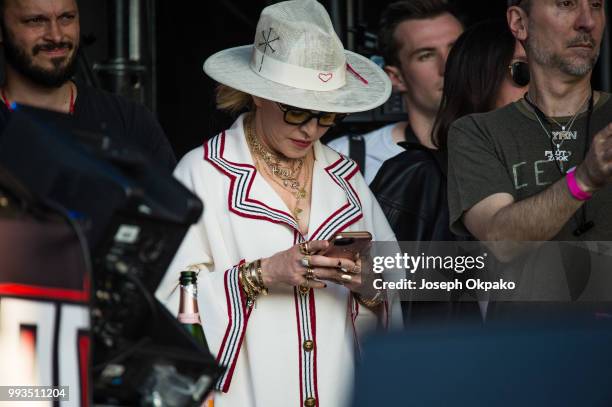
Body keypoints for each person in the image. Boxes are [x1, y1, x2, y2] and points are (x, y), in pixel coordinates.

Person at [155, 1, 399, 406]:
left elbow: (393, 282)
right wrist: (261, 274)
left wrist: (368, 285)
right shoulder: (202, 173)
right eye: (297, 112)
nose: (310, 129)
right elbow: (165, 308)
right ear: (258, 96)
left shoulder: (345, 177)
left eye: (326, 117)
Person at [447, 0, 612, 253]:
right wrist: (584, 179)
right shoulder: (477, 132)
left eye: (596, 5)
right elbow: (500, 240)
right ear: (520, 23)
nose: (587, 21)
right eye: (566, 3)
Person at [370, 20, 529, 242]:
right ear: (480, 81)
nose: (542, 85)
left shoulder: (561, 169)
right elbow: (373, 272)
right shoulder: (418, 175)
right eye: (524, 71)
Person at [0, 0, 175, 170]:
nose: (56, 36)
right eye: (36, 20)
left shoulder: (131, 122)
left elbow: (170, 199)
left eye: (66, 17)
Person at [327, 0, 463, 184]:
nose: (448, 66)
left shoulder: (507, 145)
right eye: (426, 55)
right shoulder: (346, 158)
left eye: (457, 49)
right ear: (396, 78)